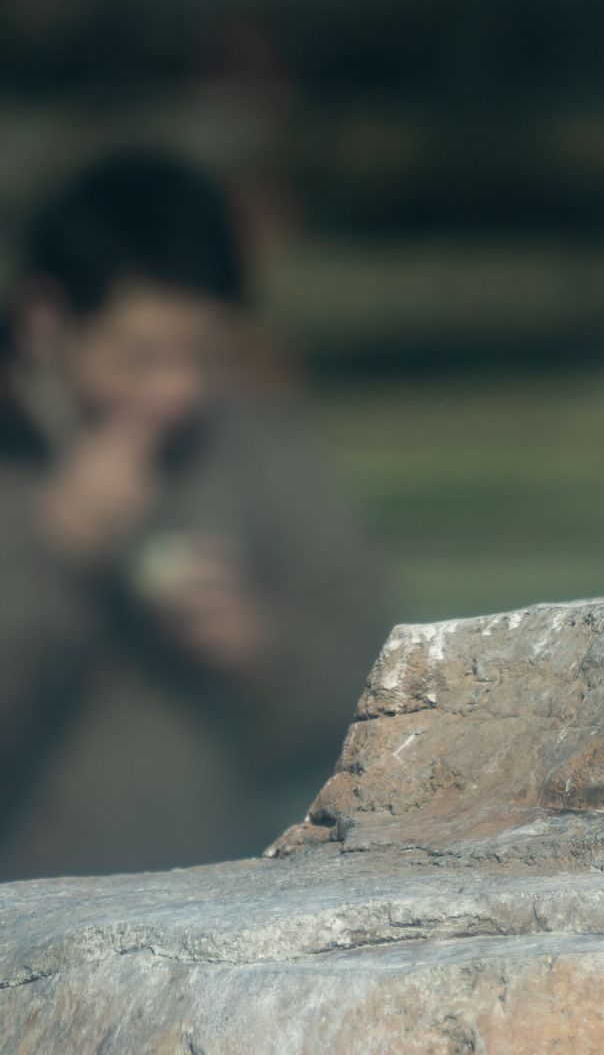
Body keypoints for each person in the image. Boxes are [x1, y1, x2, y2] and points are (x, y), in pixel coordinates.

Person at [0, 151, 388, 880]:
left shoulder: (256, 452)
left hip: (221, 910)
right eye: (141, 356)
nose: (175, 391)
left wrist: (261, 651)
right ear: (46, 322)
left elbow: (374, 691)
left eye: (200, 354)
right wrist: (50, 545)